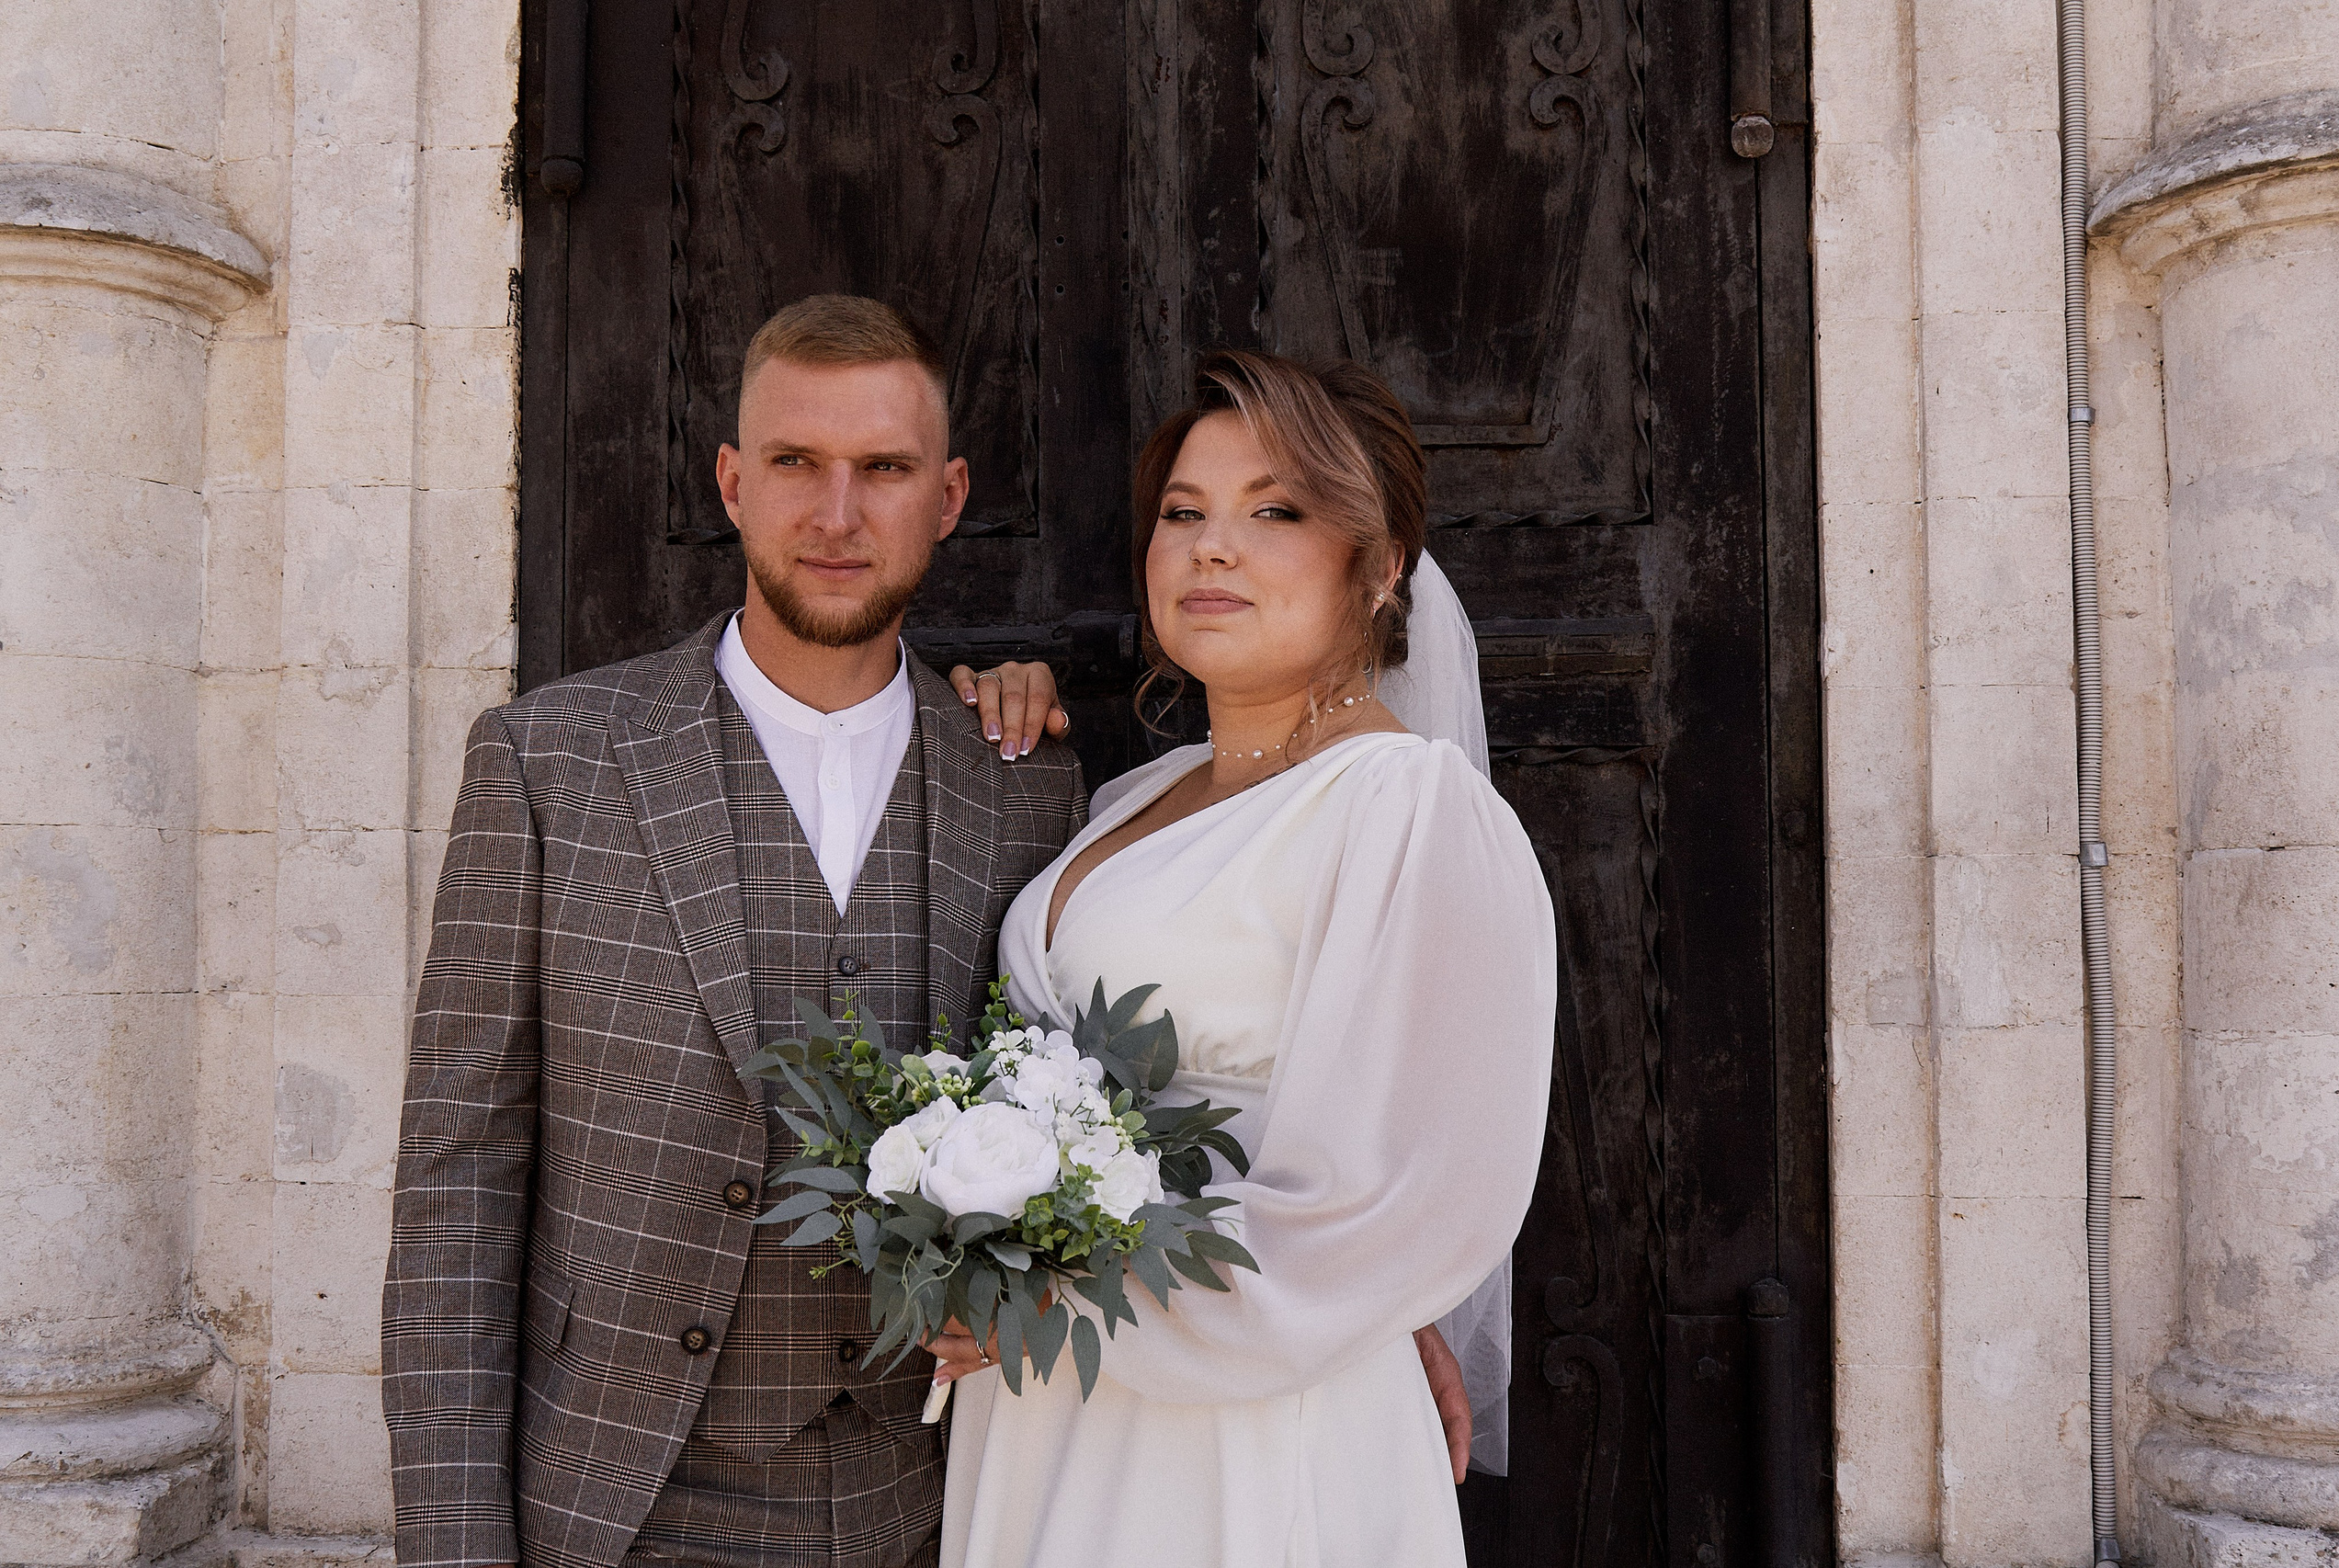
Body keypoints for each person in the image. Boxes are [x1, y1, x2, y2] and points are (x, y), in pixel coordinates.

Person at [381, 296, 1472, 1568]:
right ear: (732, 482)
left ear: (948, 497)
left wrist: (1363, 1306)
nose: (837, 515)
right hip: (621, 1496)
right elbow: (456, 1189)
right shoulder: (551, 760)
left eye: (884, 469)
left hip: (961, 1485)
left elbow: (1164, 1091)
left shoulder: (1026, 781)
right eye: (796, 462)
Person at [927, 351, 1556, 1567]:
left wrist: (1061, 1294)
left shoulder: (1407, 810)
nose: (1213, 547)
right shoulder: (1129, 796)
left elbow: (1394, 1204)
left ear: (1378, 569)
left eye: (1275, 511)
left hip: (1244, 1432)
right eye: (1183, 513)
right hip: (1051, 1405)